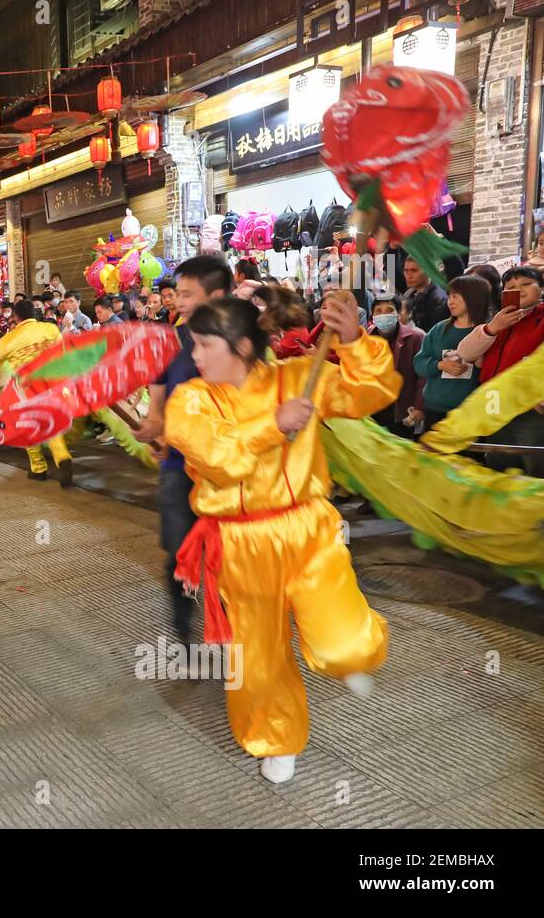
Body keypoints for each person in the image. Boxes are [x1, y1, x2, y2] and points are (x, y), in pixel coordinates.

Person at [165, 295, 398, 785]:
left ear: (244, 345)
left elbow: (371, 393)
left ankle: (350, 653)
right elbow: (214, 455)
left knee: (345, 646)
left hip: (308, 529)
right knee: (258, 652)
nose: (197, 356)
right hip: (239, 542)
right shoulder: (190, 399)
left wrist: (354, 340)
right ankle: (277, 737)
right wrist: (272, 425)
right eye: (194, 345)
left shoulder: (297, 377)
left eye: (205, 345)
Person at [131, 254, 232, 644]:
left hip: (227, 470)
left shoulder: (241, 340)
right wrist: (154, 424)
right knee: (180, 552)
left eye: (188, 294)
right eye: (178, 292)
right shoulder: (172, 338)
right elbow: (159, 394)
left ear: (218, 295)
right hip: (178, 466)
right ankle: (183, 628)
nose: (178, 300)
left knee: (233, 556)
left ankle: (230, 625)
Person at [0, 299, 73, 486]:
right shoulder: (49, 330)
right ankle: (62, 456)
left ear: (16, 317)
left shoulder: (9, 339)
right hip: (51, 381)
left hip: (26, 388)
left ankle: (38, 468)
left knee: (28, 426)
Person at [454, 264, 544, 474]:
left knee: (534, 469)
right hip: (494, 405)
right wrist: (492, 328)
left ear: (540, 288)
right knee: (498, 466)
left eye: (526, 284)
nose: (518, 289)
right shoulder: (496, 321)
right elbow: (465, 353)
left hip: (528, 409)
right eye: (510, 286)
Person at [412, 274, 491, 432]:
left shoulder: (487, 331)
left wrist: (481, 362)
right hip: (435, 408)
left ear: (473, 298)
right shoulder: (439, 329)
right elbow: (418, 363)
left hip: (471, 412)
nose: (450, 301)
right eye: (449, 296)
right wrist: (440, 365)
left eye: (455, 296)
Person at [367, 294, 425, 438]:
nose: (383, 315)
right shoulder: (366, 339)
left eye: (389, 310)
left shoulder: (415, 338)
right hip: (372, 409)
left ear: (398, 314)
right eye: (378, 311)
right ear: (372, 315)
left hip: (402, 410)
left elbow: (423, 377)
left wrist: (419, 407)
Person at [399, 256, 449, 332]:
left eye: (414, 271)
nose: (409, 276)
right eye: (406, 270)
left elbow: (433, 333)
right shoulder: (410, 292)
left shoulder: (437, 299)